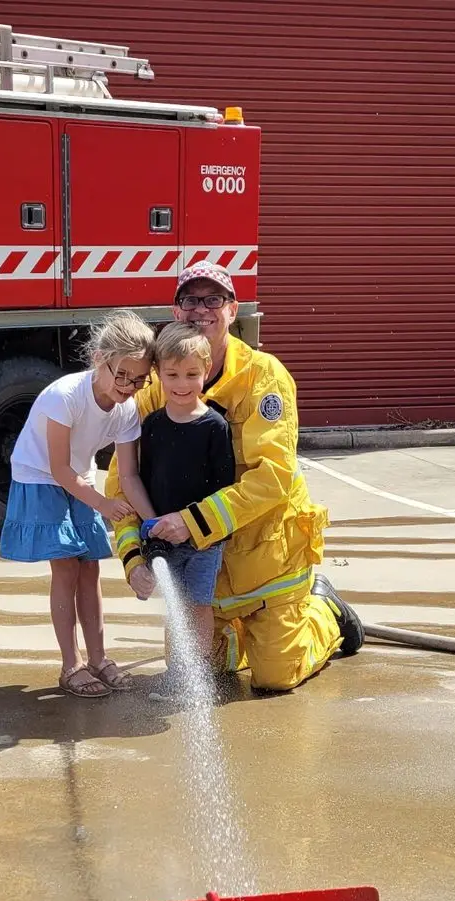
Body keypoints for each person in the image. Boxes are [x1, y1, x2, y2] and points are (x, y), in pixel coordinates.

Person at [105, 261, 365, 692]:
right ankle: (236, 636)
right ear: (175, 311)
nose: (201, 310)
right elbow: (121, 482)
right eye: (190, 300)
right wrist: (134, 558)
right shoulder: (155, 387)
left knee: (276, 677)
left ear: (232, 310)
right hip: (200, 571)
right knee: (194, 672)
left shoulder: (264, 377)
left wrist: (189, 522)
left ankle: (323, 610)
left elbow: (274, 476)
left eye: (214, 300)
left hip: (266, 561)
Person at [0, 309, 155, 699]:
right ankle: (70, 666)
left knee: (90, 569)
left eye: (139, 379)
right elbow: (58, 468)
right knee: (67, 568)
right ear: (98, 359)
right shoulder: (65, 396)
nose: (129, 386)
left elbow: (131, 476)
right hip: (40, 477)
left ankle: (99, 658)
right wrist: (102, 504)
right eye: (122, 375)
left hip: (78, 477)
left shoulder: (127, 408)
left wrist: (153, 522)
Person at [116, 321, 235, 668]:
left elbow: (223, 488)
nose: (182, 385)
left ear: (206, 371)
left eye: (191, 374)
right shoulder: (151, 425)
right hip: (163, 536)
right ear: (157, 374)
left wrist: (200, 528)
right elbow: (141, 478)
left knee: (198, 604)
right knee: (175, 603)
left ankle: (196, 672)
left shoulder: (215, 426)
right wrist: (150, 528)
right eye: (172, 375)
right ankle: (178, 670)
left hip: (204, 540)